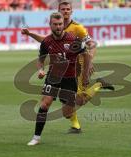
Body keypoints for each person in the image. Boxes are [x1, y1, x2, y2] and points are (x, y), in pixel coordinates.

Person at [21, 0, 114, 134]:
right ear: (58, 11)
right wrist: (30, 34)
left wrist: (90, 59)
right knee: (69, 106)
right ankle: (75, 124)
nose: (65, 11)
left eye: (67, 9)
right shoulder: (56, 26)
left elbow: (91, 43)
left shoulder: (78, 28)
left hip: (77, 67)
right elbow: (45, 40)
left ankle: (98, 85)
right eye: (62, 9)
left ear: (71, 11)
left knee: (80, 100)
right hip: (59, 72)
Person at [27, 12, 88, 146]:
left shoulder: (73, 40)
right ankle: (36, 138)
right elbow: (41, 59)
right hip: (53, 76)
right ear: (50, 25)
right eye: (55, 24)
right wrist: (41, 70)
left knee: (67, 113)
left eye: (60, 24)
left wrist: (86, 70)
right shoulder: (46, 41)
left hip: (70, 77)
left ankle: (82, 98)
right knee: (45, 104)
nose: (58, 27)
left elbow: (85, 54)